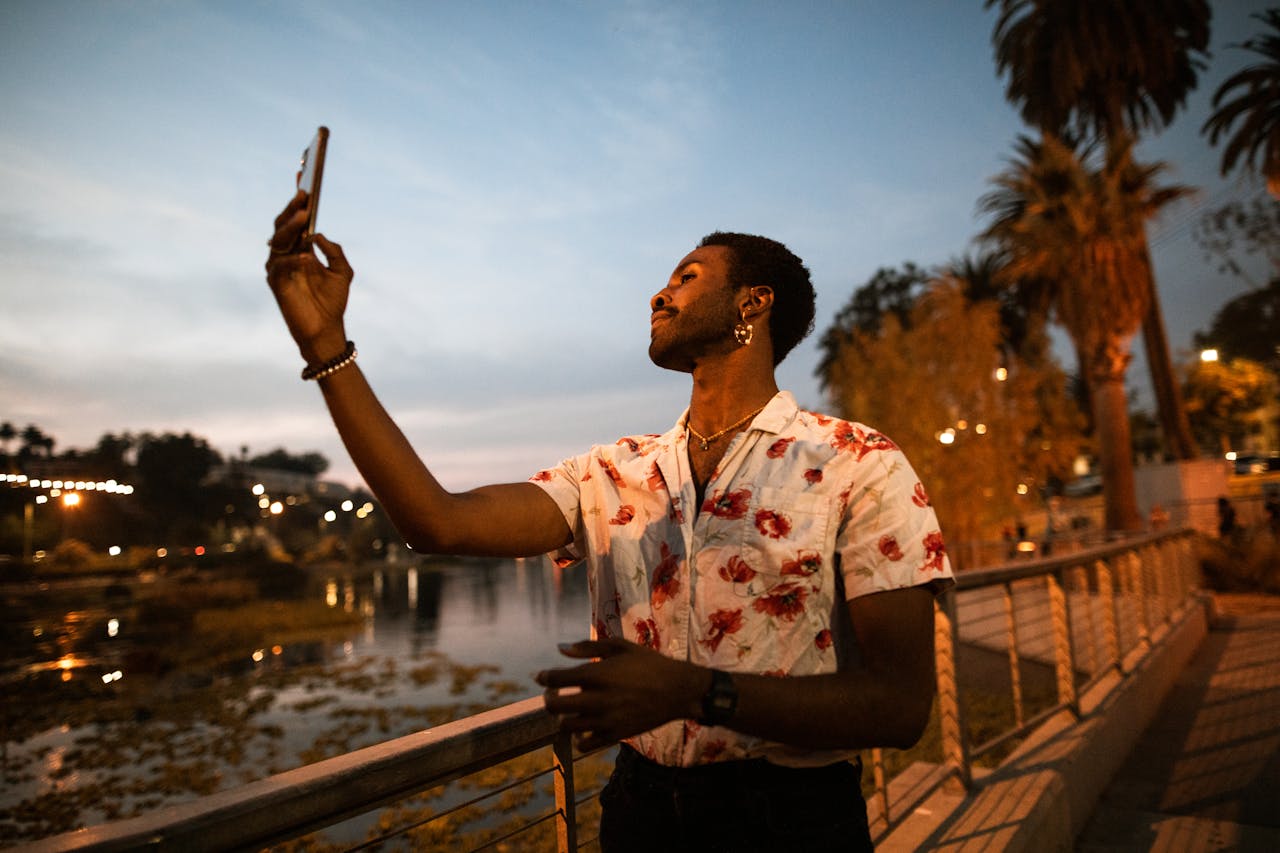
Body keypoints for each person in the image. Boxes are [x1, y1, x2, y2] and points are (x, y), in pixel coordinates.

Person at [265, 191, 953, 852]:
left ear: (754, 301)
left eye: (686, 277)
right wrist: (326, 347)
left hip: (795, 821)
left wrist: (696, 692)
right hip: (640, 814)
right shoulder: (610, 473)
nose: (659, 294)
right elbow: (436, 522)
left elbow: (899, 704)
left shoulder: (857, 462)